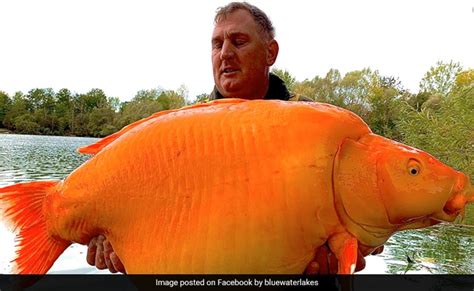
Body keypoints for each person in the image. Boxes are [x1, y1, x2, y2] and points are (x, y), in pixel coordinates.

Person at [86, 1, 382, 274]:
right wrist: (122, 245)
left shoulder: (320, 127)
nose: (225, 53)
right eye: (217, 44)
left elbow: (371, 216)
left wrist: (359, 241)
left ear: (270, 52)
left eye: (239, 42)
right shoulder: (182, 132)